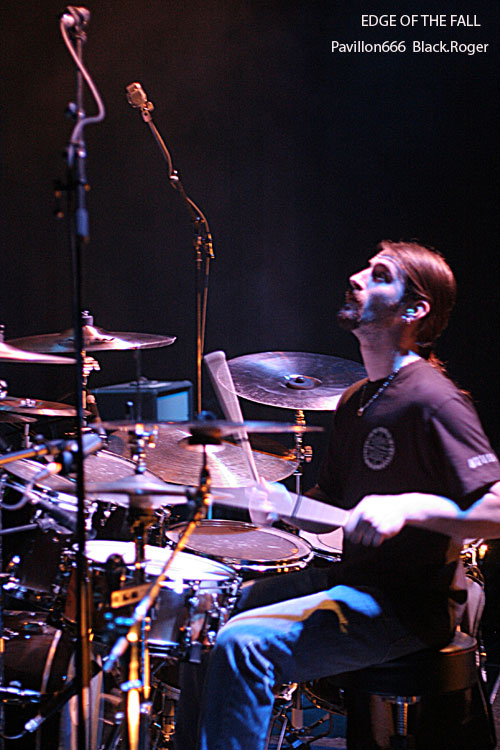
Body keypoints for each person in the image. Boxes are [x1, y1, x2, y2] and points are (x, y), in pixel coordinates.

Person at [174, 240, 500, 750]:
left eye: (380, 275)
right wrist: (282, 506)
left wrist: (409, 507)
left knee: (243, 644)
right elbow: (332, 503)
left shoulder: (435, 399)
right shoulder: (356, 400)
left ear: (414, 310)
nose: (356, 277)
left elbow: (495, 509)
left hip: (406, 607)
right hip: (354, 582)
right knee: (207, 619)